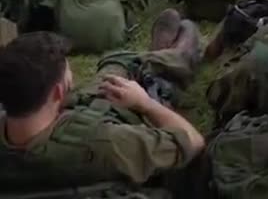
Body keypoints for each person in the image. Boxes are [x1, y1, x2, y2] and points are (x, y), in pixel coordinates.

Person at [0, 23, 205, 196]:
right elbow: (192, 141)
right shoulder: (107, 144)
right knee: (122, 69)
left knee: (115, 68)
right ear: (58, 91)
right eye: (67, 73)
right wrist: (145, 103)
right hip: (101, 120)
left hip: (73, 111)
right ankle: (175, 56)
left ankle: (155, 56)